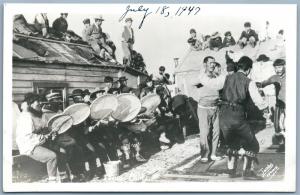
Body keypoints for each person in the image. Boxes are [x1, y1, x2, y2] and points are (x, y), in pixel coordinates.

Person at [199, 56, 269, 179]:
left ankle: (231, 171)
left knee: (232, 144)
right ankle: (247, 172)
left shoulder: (225, 78)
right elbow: (259, 101)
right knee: (252, 145)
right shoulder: (249, 82)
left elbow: (209, 83)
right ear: (248, 69)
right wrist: (266, 110)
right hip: (237, 116)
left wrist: (203, 72)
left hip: (224, 117)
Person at [16, 93, 67, 182]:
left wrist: (51, 132)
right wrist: (43, 137)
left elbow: (45, 129)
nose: (40, 103)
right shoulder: (26, 117)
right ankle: (53, 181)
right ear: (31, 104)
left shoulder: (41, 114)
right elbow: (27, 136)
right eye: (37, 102)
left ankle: (63, 177)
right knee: (52, 156)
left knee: (62, 151)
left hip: (41, 142)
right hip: (29, 145)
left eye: (40, 101)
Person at [194, 56, 223, 163]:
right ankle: (204, 154)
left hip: (215, 107)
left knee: (216, 132)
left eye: (214, 63)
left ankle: (214, 153)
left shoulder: (216, 76)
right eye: (211, 62)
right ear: (205, 64)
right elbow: (192, 84)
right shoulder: (201, 77)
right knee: (205, 132)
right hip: (204, 108)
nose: (213, 64)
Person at [257, 59, 286, 152]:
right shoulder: (274, 77)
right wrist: (257, 85)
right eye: (276, 67)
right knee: (277, 127)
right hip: (279, 105)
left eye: (280, 67)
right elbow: (264, 83)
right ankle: (282, 145)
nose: (278, 69)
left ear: (284, 66)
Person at [249, 54, 276, 125]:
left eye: (262, 61)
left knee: (271, 104)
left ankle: (272, 119)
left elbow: (273, 77)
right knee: (264, 104)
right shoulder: (256, 67)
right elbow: (253, 77)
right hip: (261, 88)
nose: (261, 63)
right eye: (260, 61)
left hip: (269, 89)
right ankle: (268, 120)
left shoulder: (270, 66)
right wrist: (257, 85)